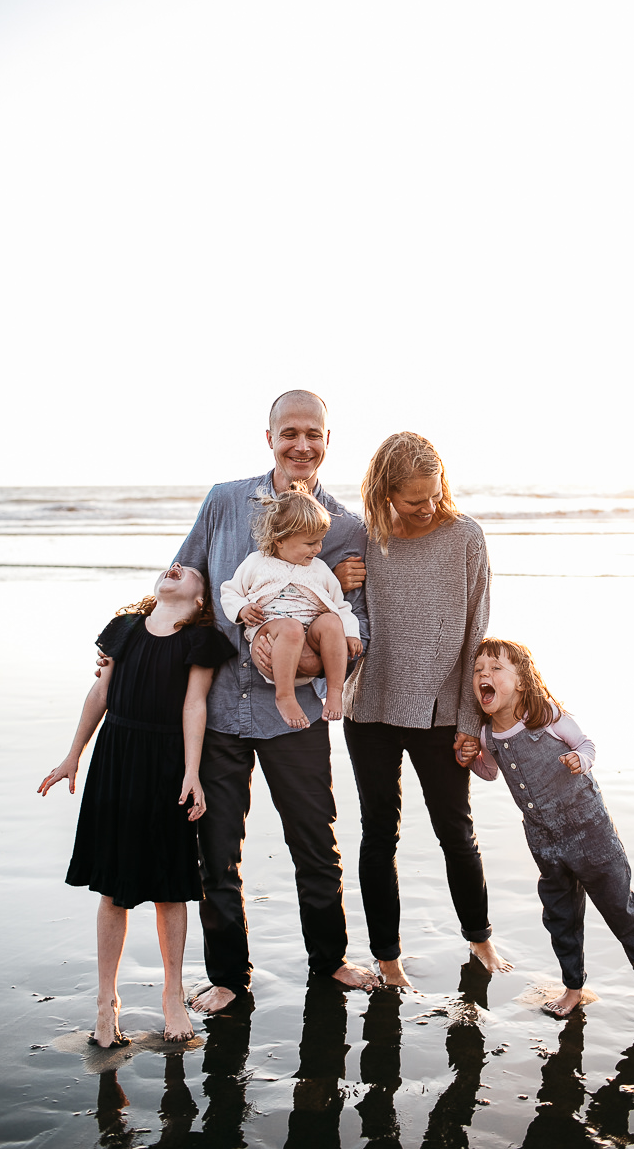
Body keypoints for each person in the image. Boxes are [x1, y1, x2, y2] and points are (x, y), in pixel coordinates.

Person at [170, 389, 376, 1012]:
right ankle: (229, 975)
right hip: (219, 709)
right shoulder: (225, 501)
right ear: (270, 438)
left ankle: (330, 959)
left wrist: (302, 657)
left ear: (327, 441)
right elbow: (184, 583)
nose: (302, 445)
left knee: (315, 840)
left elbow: (353, 627)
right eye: (290, 432)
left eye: (313, 433)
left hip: (299, 715)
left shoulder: (344, 528)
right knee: (217, 850)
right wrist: (125, 639)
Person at [38, 564, 235, 1047]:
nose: (177, 569)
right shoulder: (123, 629)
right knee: (113, 887)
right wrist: (72, 755)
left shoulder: (201, 639)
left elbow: (195, 704)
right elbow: (100, 693)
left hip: (168, 760)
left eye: (189, 571)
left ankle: (172, 994)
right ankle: (106, 1001)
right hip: (117, 756)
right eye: (172, 567)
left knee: (170, 885)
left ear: (199, 599)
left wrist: (192, 771)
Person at [342, 431, 511, 987]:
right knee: (378, 833)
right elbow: (340, 617)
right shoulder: (365, 539)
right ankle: (387, 958)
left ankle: (480, 938)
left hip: (441, 712)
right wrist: (338, 583)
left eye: (434, 493)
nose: (427, 505)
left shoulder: (465, 537)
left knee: (454, 830)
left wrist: (471, 725)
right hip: (370, 708)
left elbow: (474, 636)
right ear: (387, 492)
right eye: (414, 498)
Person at [457, 637, 634, 1017]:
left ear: (521, 681)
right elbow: (490, 772)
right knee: (561, 917)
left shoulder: (548, 716)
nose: (483, 675)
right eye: (478, 671)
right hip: (544, 841)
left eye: (495, 668)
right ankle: (573, 987)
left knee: (618, 906)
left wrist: (579, 759)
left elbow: (587, 744)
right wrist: (470, 757)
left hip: (591, 833)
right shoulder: (489, 734)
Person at [220, 485, 362, 730]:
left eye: (320, 542)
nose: (318, 550)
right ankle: (284, 696)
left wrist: (351, 633)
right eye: (310, 543)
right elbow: (230, 591)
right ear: (280, 540)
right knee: (291, 628)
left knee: (330, 621)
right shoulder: (256, 563)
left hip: (311, 639)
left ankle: (335, 691)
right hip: (271, 635)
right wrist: (242, 609)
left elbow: (340, 606)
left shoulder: (319, 569)